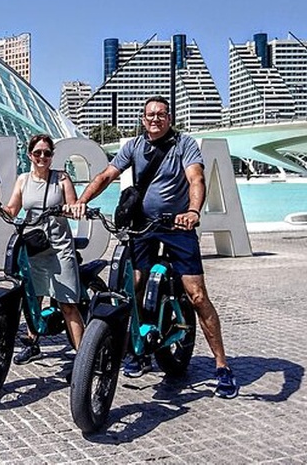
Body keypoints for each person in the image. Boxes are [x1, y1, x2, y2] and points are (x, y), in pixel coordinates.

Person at [68, 95, 239, 399]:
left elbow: (196, 178)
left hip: (177, 227)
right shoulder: (133, 146)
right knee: (132, 284)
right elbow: (107, 175)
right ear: (143, 119)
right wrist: (81, 201)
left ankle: (222, 366)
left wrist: (193, 212)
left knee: (197, 296)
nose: (155, 119)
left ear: (169, 118)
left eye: (161, 114)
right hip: (142, 226)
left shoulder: (184, 144)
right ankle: (140, 349)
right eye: (150, 115)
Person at [4, 134, 84, 365]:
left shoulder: (61, 178)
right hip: (35, 246)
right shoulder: (23, 180)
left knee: (67, 303)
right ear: (30, 155)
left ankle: (83, 358)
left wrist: (70, 209)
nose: (42, 157)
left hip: (60, 247)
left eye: (46, 153)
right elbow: (12, 209)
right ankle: (32, 343)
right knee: (34, 297)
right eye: (37, 153)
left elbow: (73, 205)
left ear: (52, 156)